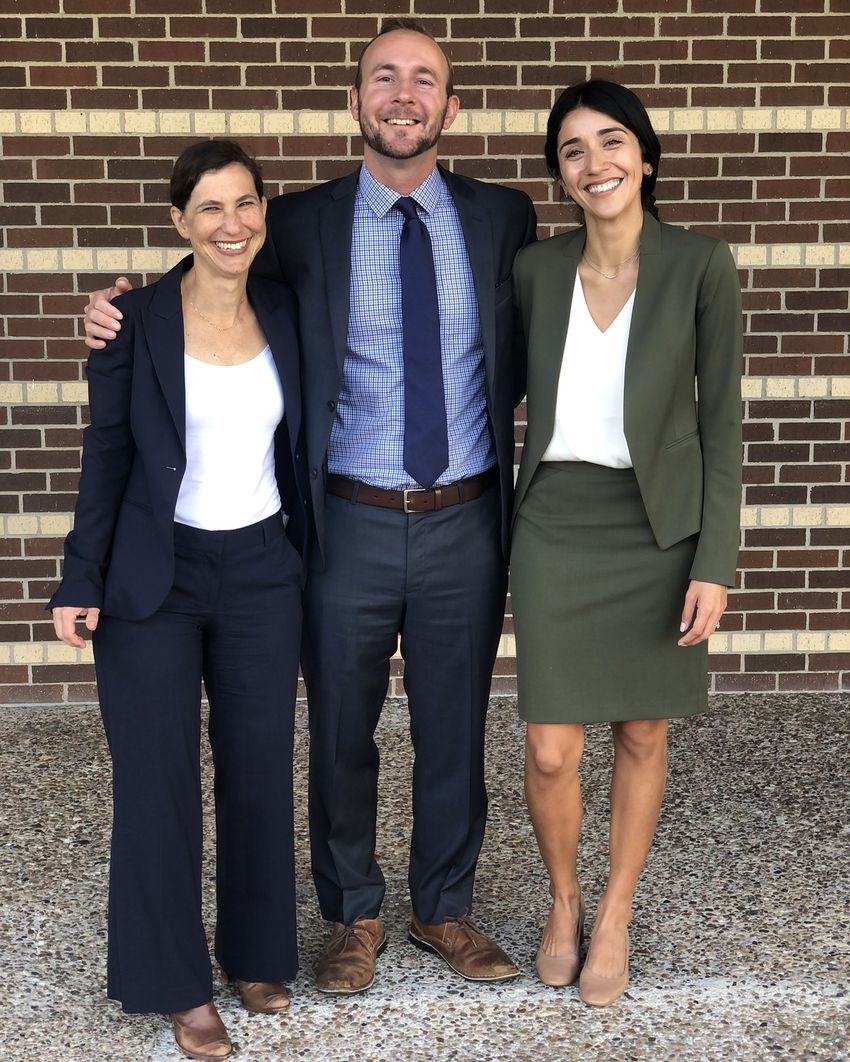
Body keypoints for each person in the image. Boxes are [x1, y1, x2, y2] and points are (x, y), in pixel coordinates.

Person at [82, 18, 537, 994]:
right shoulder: (300, 223)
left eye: (424, 80)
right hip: (346, 520)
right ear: (357, 100)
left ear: (449, 107)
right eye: (384, 77)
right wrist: (121, 310)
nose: (403, 95)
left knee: (455, 722)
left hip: (464, 518)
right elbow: (217, 277)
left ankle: (444, 907)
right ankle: (353, 913)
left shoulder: (505, 217)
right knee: (339, 724)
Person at [52, 140, 309, 1059]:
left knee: (257, 768)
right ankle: (174, 983)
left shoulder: (286, 308)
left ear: (262, 213)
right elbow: (105, 457)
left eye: (245, 204)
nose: (231, 224)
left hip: (261, 574)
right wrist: (78, 581)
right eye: (209, 208)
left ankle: (255, 953)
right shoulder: (134, 320)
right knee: (157, 783)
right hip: (150, 581)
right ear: (177, 222)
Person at [510, 80, 742, 1007]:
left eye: (612, 142)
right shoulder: (535, 273)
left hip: (657, 530)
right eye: (573, 150)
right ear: (560, 176)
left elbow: (720, 422)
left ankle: (613, 911)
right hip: (557, 523)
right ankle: (561, 901)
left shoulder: (700, 265)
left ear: (645, 157)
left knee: (643, 729)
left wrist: (714, 562)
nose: (595, 163)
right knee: (552, 749)